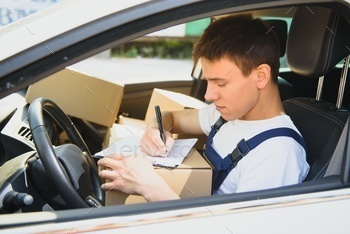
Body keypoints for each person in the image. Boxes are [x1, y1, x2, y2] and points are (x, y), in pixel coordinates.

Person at [97, 14, 310, 201]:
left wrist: (149, 187)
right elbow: (174, 117)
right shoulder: (228, 114)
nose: (209, 95)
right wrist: (157, 129)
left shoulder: (277, 153)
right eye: (208, 81)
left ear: (260, 76)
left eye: (221, 83)